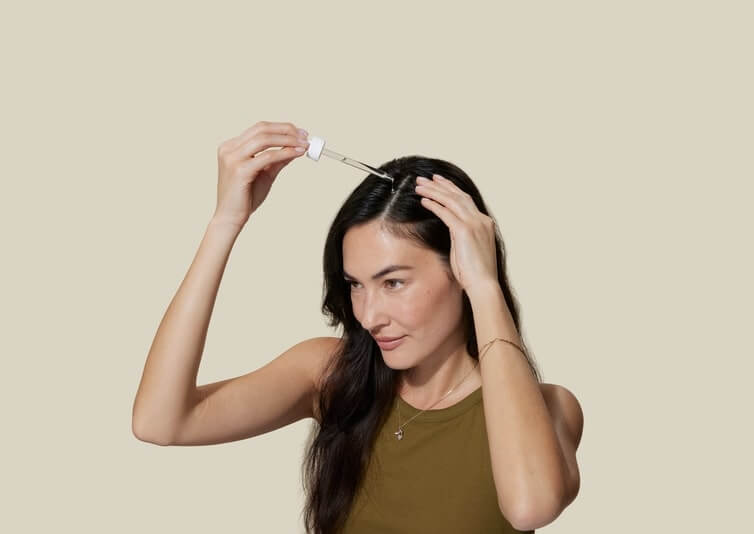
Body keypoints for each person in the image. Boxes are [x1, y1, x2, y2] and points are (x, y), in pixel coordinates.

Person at [132, 121, 583, 534]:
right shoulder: (332, 374)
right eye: (355, 286)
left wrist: (486, 287)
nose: (369, 316)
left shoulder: (551, 410)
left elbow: (530, 507)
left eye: (393, 282)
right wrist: (225, 222)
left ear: (460, 268)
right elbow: (160, 421)